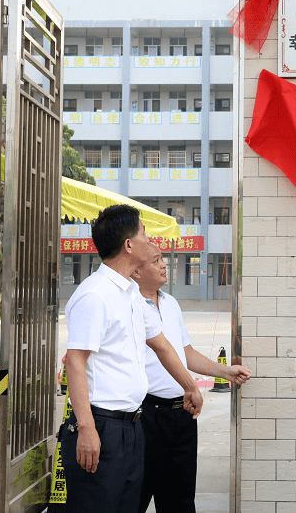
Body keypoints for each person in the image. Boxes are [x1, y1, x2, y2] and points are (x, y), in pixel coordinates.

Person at [61, 204, 203, 513]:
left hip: (132, 427)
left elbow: (162, 345)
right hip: (100, 425)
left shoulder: (131, 295)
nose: (149, 239)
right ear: (128, 246)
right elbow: (75, 362)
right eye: (143, 233)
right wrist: (86, 430)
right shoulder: (95, 295)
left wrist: (189, 386)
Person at [133, 244, 252, 513]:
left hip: (183, 414)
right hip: (146, 417)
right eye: (156, 260)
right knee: (135, 497)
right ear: (137, 271)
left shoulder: (171, 303)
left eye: (162, 258)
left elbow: (184, 352)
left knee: (180, 501)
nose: (164, 265)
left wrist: (225, 372)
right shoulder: (129, 306)